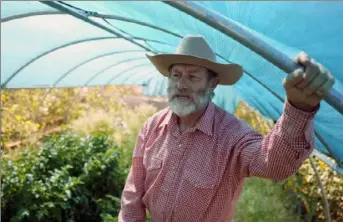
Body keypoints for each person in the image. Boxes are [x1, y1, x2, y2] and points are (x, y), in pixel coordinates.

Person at [118, 35, 335, 222]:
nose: (181, 84)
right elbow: (133, 193)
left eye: (192, 76)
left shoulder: (232, 135)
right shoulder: (153, 127)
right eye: (176, 75)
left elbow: (273, 165)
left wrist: (299, 108)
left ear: (213, 84)